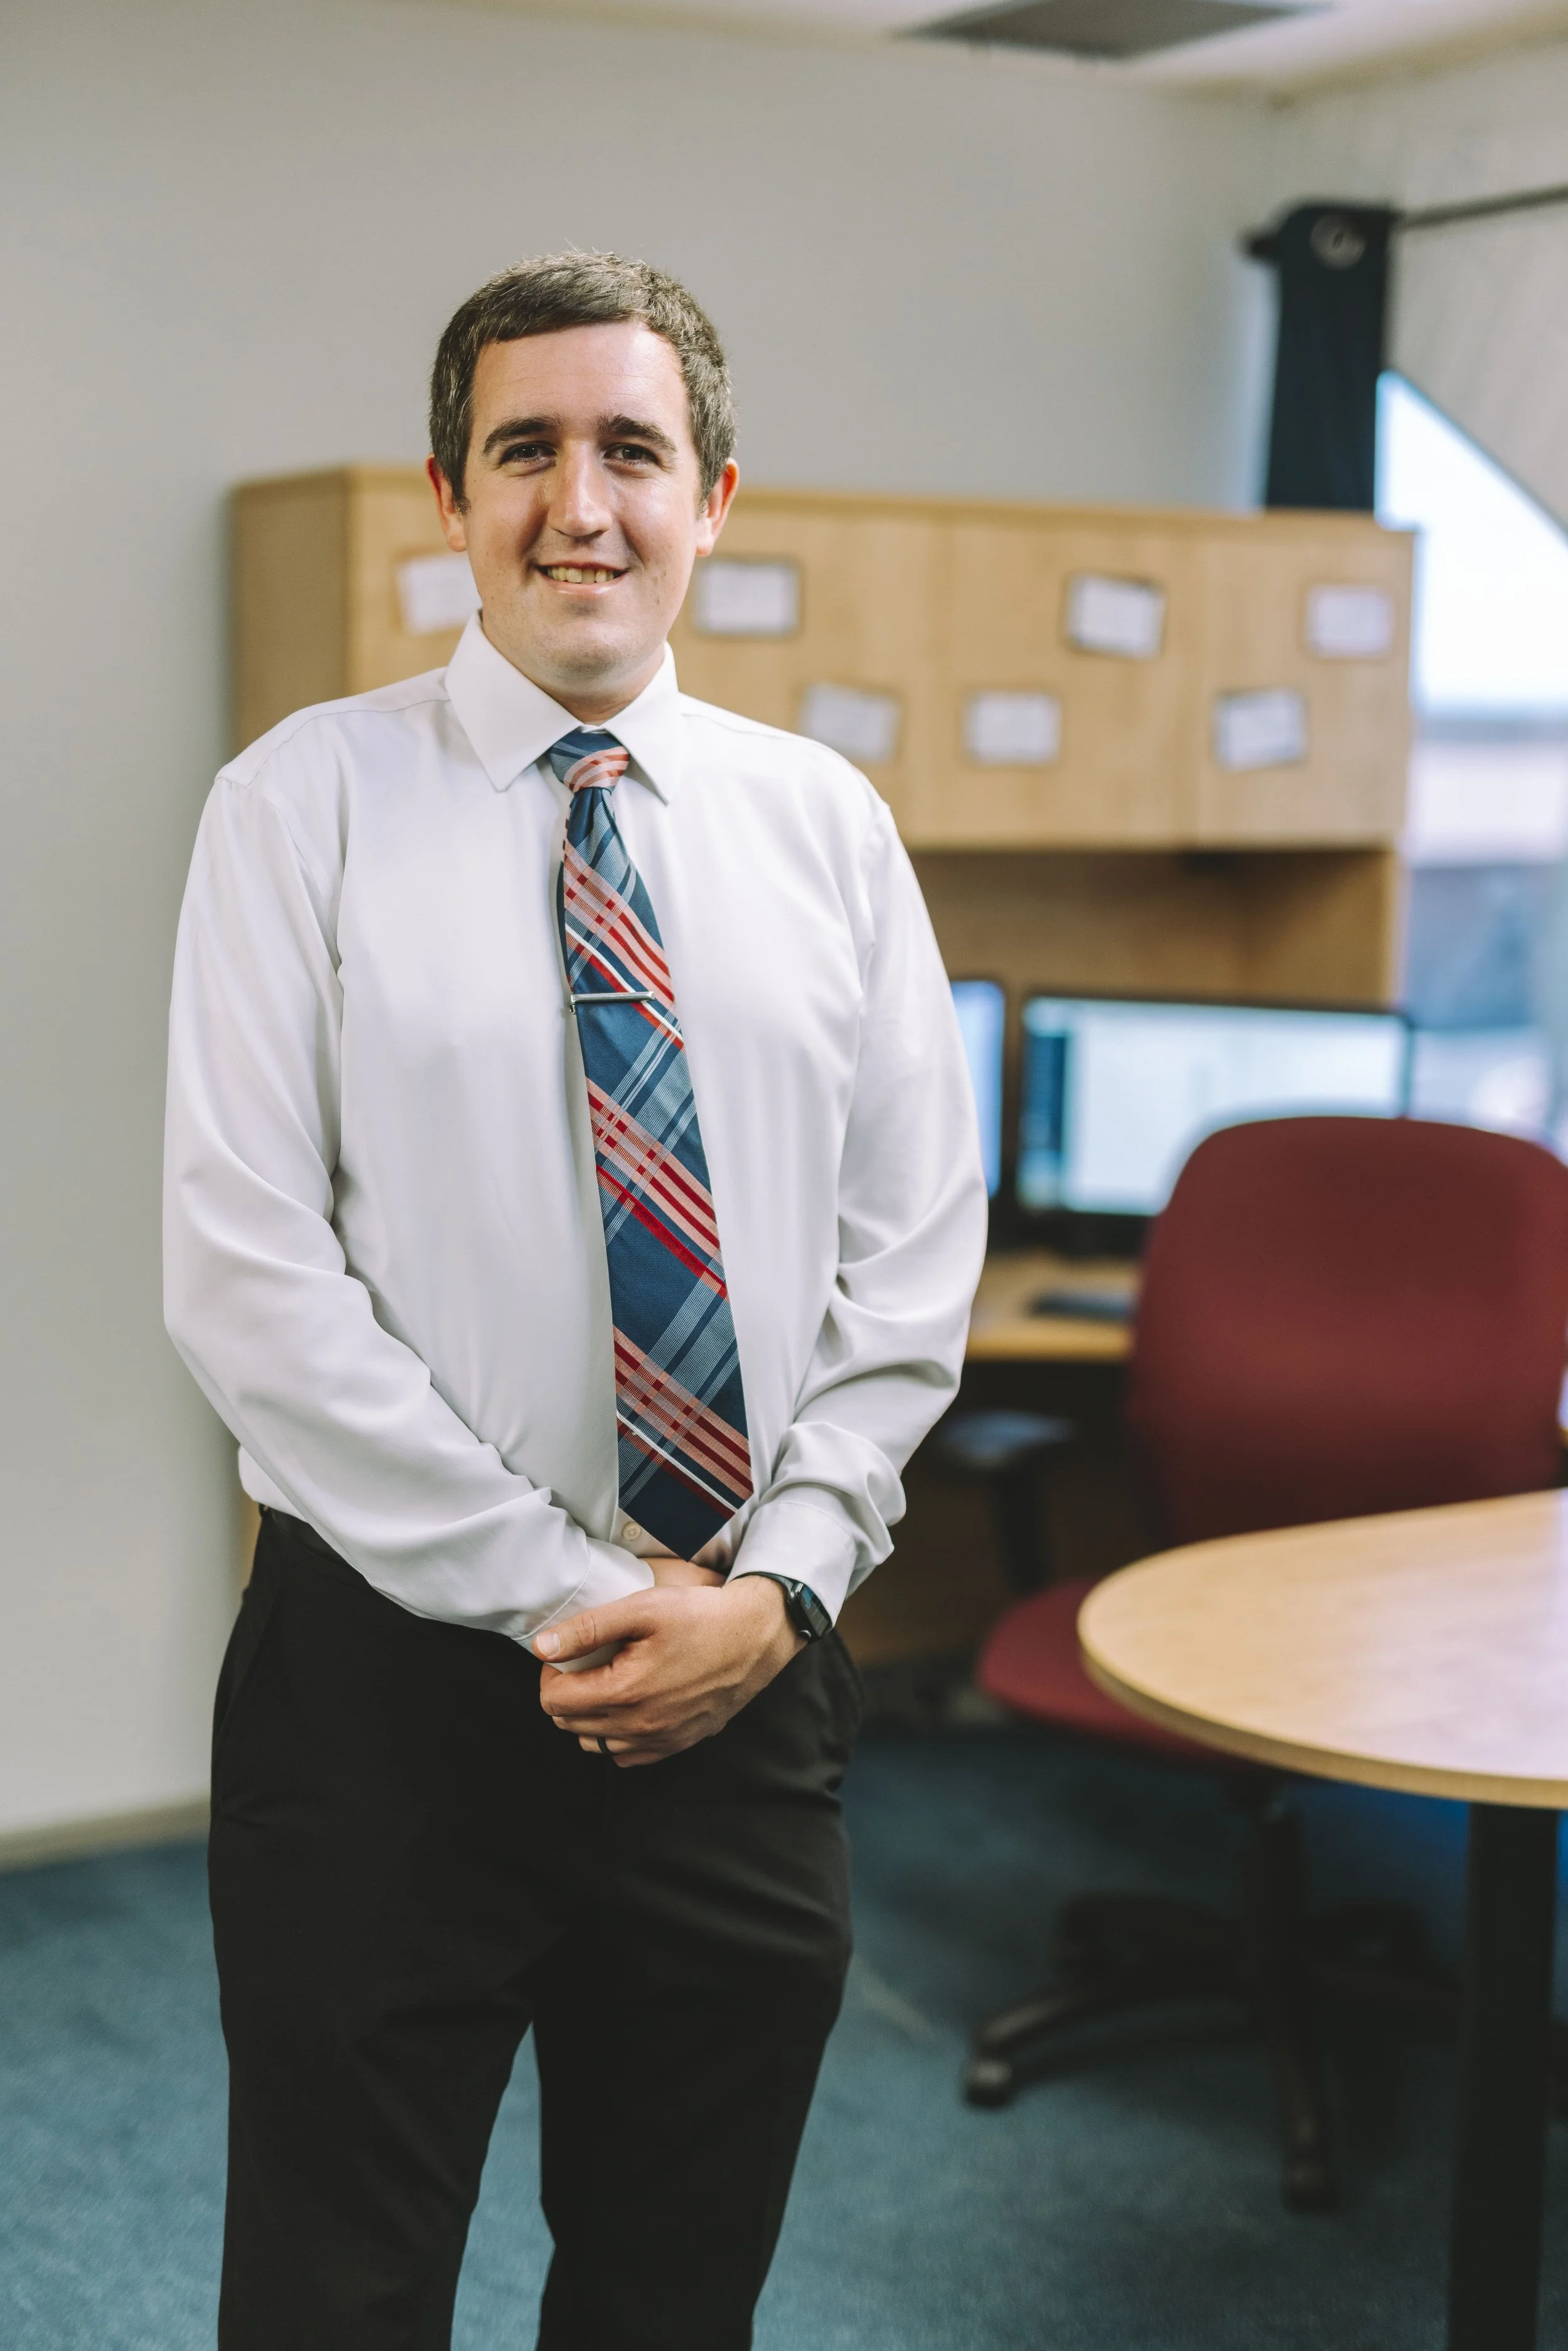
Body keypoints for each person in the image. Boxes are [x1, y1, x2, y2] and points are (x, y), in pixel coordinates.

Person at [164, 250, 987, 2351]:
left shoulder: (828, 828)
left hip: (746, 1684)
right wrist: (564, 1595)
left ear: (717, 494)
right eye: (525, 448)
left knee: (670, 2293)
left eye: (633, 448)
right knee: (332, 2297)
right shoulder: (302, 806)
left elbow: (908, 1255)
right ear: (448, 491)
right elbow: (248, 1277)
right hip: (391, 1695)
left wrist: (778, 1591)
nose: (580, 504)